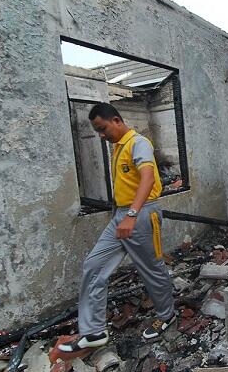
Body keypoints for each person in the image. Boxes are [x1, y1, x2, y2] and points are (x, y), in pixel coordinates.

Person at [59, 103, 175, 352]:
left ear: (116, 121)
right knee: (93, 265)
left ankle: (167, 315)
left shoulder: (138, 143)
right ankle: (93, 332)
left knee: (152, 269)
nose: (101, 135)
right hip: (121, 215)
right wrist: (123, 214)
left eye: (102, 129)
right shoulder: (118, 147)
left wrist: (132, 215)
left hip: (142, 214)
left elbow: (148, 177)